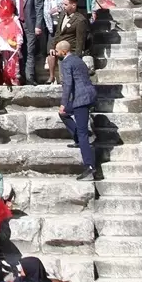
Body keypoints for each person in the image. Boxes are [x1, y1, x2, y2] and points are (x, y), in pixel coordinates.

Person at [55, 40, 101, 181]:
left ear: (63, 51)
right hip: (87, 94)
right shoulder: (78, 60)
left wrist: (63, 102)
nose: (56, 54)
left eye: (57, 52)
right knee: (63, 114)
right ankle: (77, 139)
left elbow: (68, 84)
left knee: (82, 133)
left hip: (80, 99)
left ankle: (90, 167)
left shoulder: (67, 62)